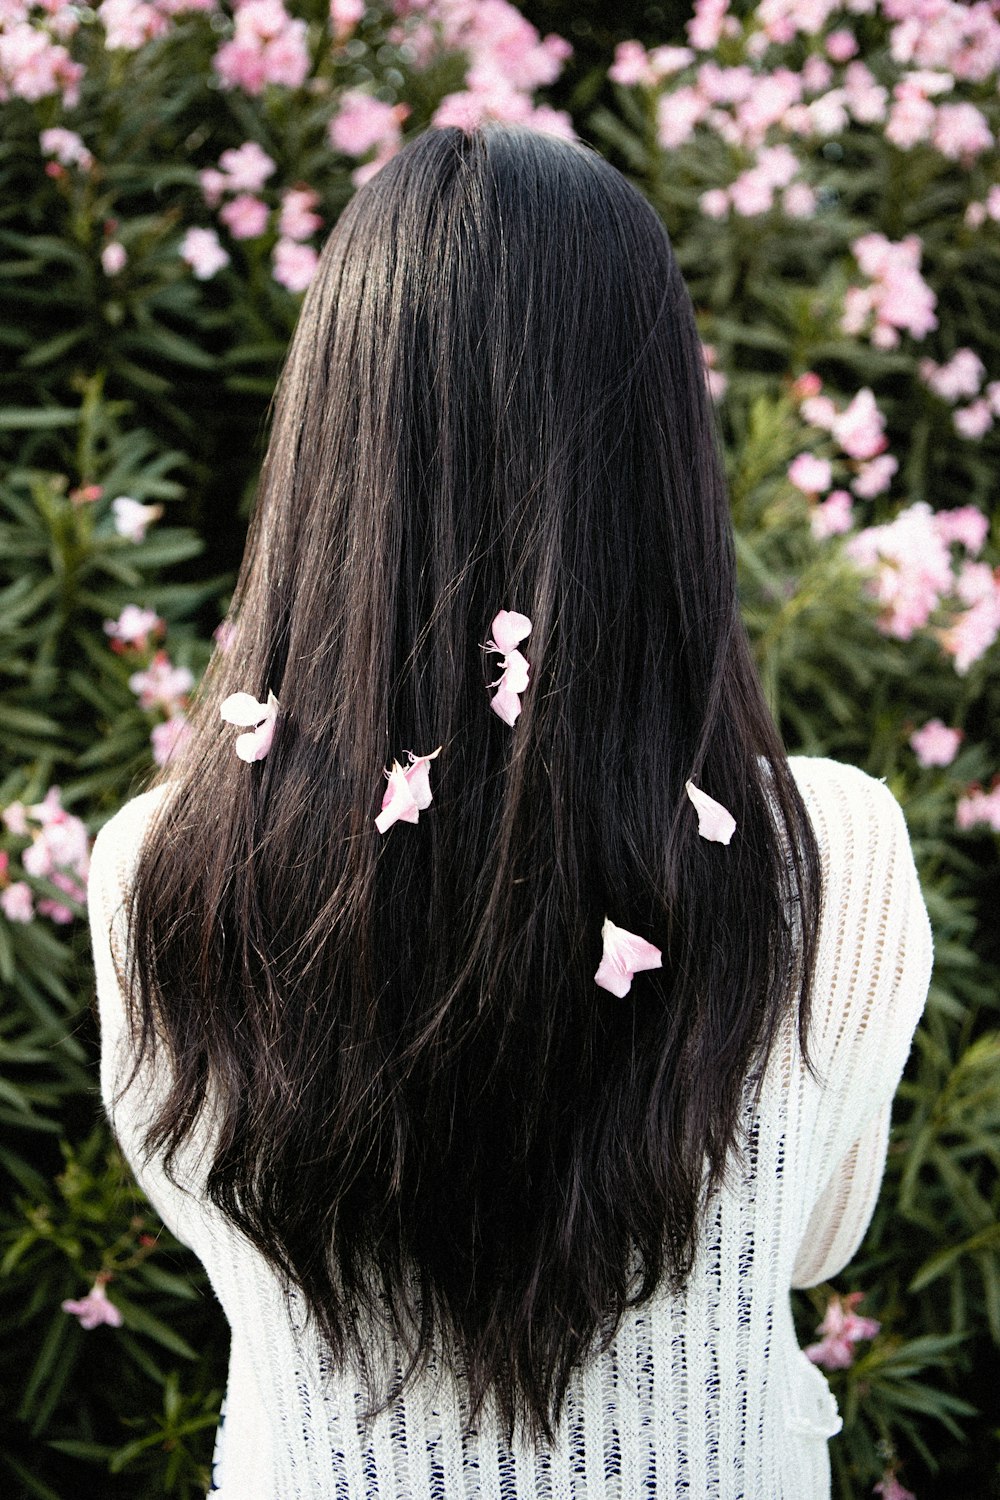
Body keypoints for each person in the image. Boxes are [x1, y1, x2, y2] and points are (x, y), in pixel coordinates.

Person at [88, 125, 933, 1499]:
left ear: (328, 449)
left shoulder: (159, 871)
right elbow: (814, 1242)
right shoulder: (825, 858)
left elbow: (220, 1230)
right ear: (661, 460)